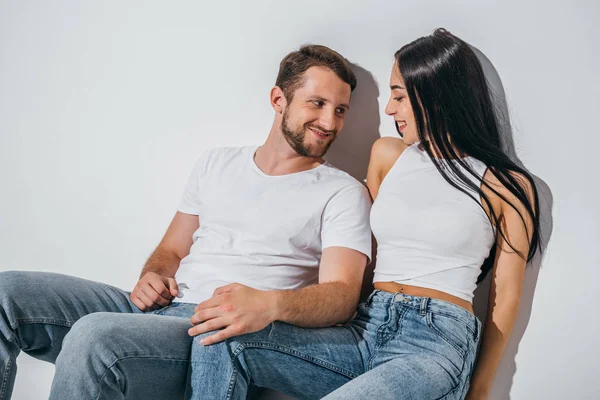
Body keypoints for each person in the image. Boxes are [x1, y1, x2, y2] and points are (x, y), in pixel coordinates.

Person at [0, 44, 373, 400]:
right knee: (6, 293)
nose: (329, 121)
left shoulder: (341, 192)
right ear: (279, 100)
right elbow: (172, 249)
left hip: (207, 330)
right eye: (318, 103)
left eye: (341, 110)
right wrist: (155, 275)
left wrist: (269, 304)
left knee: (93, 335)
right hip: (156, 310)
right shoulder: (217, 162)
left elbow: (341, 296)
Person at [189, 28, 542, 400]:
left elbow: (506, 296)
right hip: (364, 327)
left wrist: (482, 387)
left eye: (400, 97)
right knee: (222, 336)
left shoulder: (504, 185)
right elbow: (365, 260)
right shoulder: (388, 156)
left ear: (437, 97)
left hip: (434, 344)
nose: (390, 110)